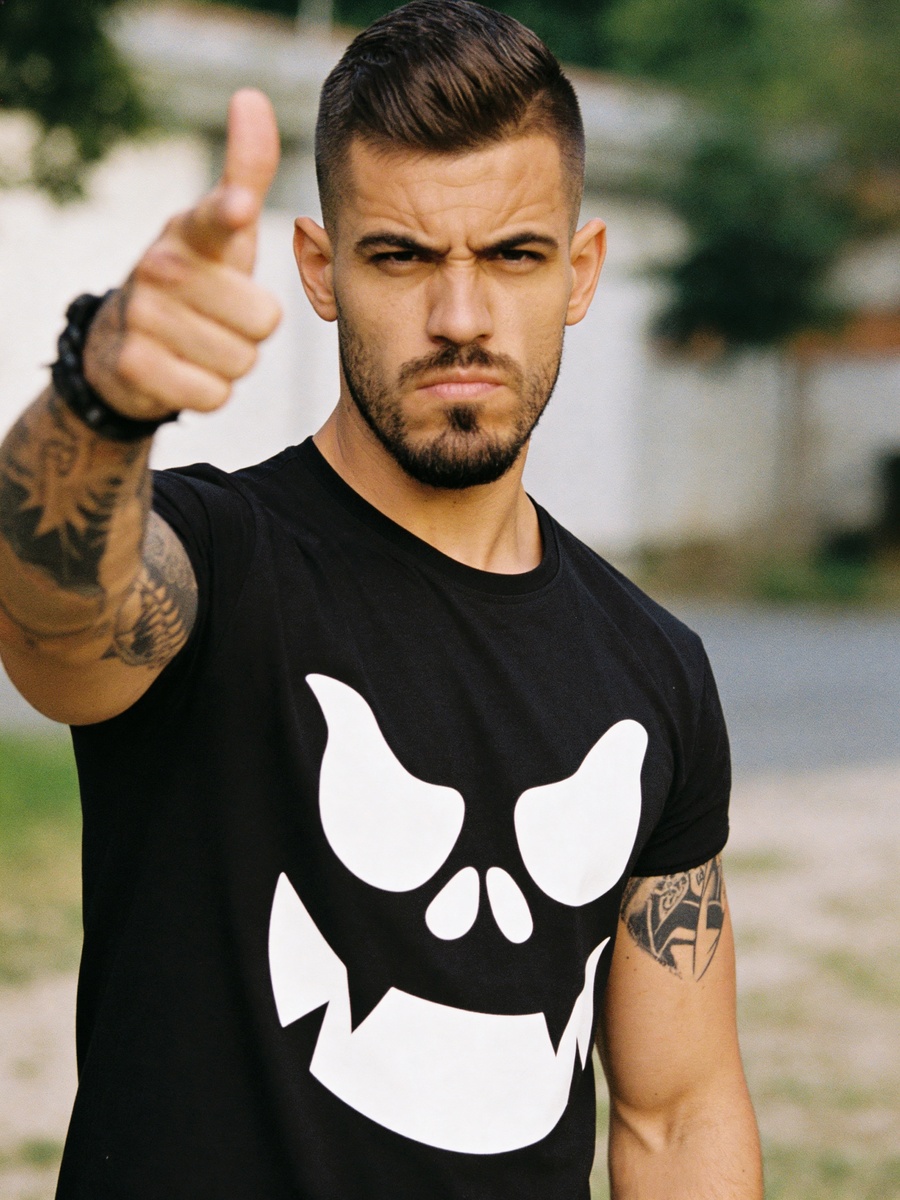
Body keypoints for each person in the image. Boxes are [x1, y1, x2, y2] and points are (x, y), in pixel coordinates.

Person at [0, 2, 763, 1196]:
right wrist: (98, 402)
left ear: (580, 271)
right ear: (321, 268)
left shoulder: (654, 667)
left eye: (512, 256)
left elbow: (679, 1113)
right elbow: (53, 630)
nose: (460, 320)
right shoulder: (216, 563)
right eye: (402, 256)